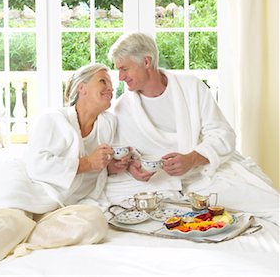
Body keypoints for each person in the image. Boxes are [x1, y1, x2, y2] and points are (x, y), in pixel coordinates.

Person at [105, 32, 279, 224]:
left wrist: (193, 158)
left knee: (270, 205)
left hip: (204, 175)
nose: (120, 77)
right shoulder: (121, 108)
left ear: (147, 62)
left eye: (124, 69)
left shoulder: (191, 88)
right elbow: (121, 153)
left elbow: (222, 134)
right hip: (160, 183)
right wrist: (132, 168)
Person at [0, 63, 129, 271]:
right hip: (28, 199)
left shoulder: (108, 124)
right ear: (82, 88)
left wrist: (111, 167)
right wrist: (87, 163)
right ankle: (17, 233)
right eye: (103, 81)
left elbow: (97, 167)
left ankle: (21, 238)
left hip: (60, 209)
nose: (110, 88)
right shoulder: (53, 119)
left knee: (94, 222)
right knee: (6, 228)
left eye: (111, 84)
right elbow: (36, 165)